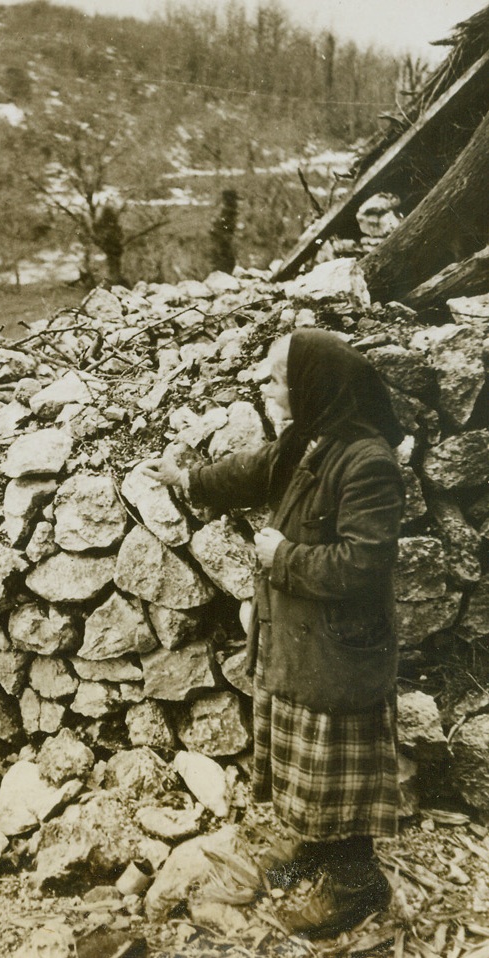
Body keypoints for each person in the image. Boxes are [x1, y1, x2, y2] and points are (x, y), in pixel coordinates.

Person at [144, 328, 405, 939]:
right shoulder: (307, 441)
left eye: (276, 377)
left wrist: (282, 555)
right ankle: (316, 851)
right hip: (304, 646)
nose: (265, 385)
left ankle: (356, 883)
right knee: (306, 765)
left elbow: (363, 565)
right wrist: (186, 479)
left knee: (336, 767)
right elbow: (252, 470)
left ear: (313, 386)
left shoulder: (367, 462)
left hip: (339, 651)